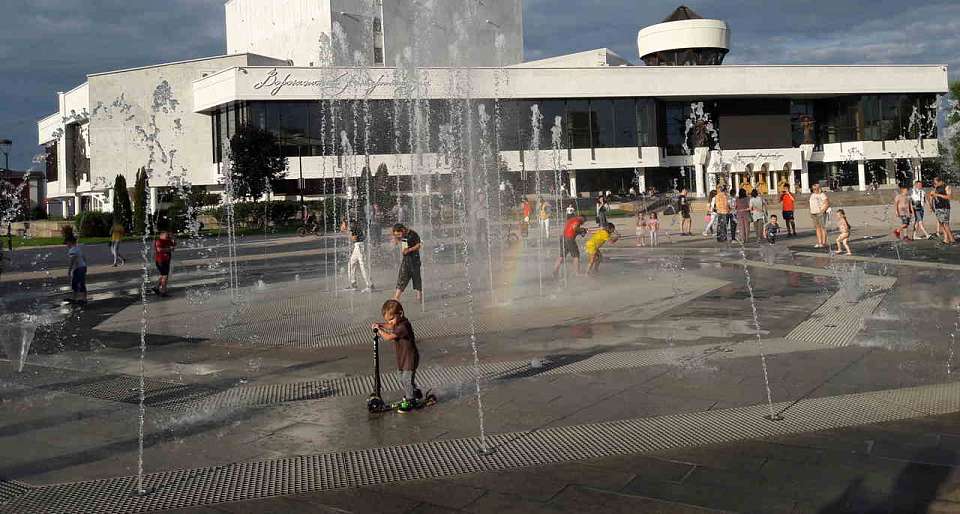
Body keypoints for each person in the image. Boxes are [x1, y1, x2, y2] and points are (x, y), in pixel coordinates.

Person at [372, 300, 421, 413]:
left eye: (391, 318)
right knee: (401, 378)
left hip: (410, 359)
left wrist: (379, 330)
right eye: (388, 320)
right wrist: (380, 324)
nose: (390, 322)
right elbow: (390, 325)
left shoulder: (404, 326)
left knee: (406, 379)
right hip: (403, 358)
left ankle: (411, 400)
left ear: (401, 313)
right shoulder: (397, 322)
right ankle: (414, 392)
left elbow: (388, 337)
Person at [392, 224, 423, 302]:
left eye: (399, 234)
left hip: (414, 259)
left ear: (403, 229)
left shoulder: (413, 234)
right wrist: (396, 239)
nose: (398, 236)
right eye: (397, 234)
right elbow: (397, 239)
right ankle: (396, 297)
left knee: (416, 277)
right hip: (406, 259)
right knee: (402, 277)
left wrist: (409, 250)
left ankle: (419, 294)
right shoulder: (402, 235)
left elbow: (419, 245)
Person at [343, 221, 374, 293]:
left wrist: (346, 231)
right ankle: (353, 283)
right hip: (358, 245)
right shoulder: (355, 224)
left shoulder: (353, 225)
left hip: (359, 245)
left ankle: (369, 285)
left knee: (363, 265)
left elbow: (354, 238)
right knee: (351, 263)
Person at [931, 176, 955, 245]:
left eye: (936, 182)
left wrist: (937, 195)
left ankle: (952, 240)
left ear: (940, 181)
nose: (935, 184)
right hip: (938, 208)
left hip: (945, 208)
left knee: (946, 224)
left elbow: (949, 197)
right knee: (941, 224)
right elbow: (933, 197)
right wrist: (931, 206)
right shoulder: (936, 188)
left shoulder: (947, 187)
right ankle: (946, 239)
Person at [65, 235, 87, 305]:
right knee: (75, 283)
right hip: (81, 267)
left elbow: (72, 260)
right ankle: (75, 298)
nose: (66, 245)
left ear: (70, 242)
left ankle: (83, 299)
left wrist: (69, 271)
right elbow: (84, 257)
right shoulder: (78, 248)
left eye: (66, 243)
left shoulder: (72, 250)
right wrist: (85, 266)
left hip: (79, 268)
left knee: (80, 283)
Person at [152, 231, 176, 296]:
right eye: (166, 235)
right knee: (165, 276)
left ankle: (156, 287)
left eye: (168, 235)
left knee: (163, 275)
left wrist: (173, 239)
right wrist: (169, 249)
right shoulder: (159, 241)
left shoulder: (168, 241)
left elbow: (173, 248)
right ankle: (163, 291)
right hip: (161, 261)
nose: (168, 236)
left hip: (167, 261)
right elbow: (159, 249)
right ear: (161, 236)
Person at [809, 183, 830, 249]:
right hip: (813, 213)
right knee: (817, 228)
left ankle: (824, 243)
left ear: (818, 188)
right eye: (813, 189)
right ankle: (819, 242)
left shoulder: (822, 195)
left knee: (822, 228)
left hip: (820, 213)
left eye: (815, 189)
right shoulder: (812, 195)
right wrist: (811, 211)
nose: (814, 190)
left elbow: (827, 203)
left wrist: (822, 211)